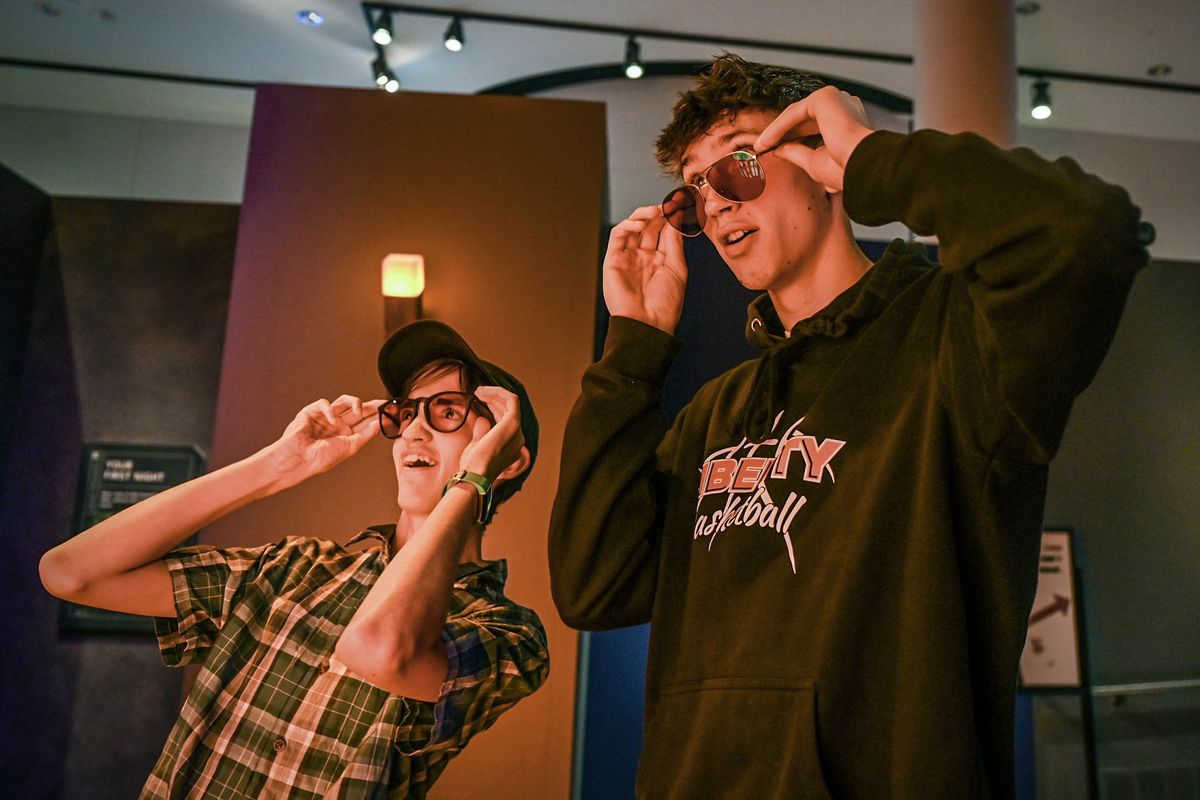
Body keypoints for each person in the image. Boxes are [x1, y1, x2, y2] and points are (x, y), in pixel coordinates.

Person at [548, 54, 1151, 799]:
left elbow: (1087, 232)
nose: (716, 206)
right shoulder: (716, 411)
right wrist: (633, 350)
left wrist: (873, 159)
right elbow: (593, 587)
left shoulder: (950, 342)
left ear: (816, 160)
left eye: (737, 167)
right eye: (694, 193)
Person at [40, 319, 548, 798]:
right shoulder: (294, 568)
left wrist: (475, 477)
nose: (413, 430)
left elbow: (378, 649)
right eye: (406, 411)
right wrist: (278, 466)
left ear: (507, 457)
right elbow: (71, 572)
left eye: (447, 411)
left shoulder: (508, 635)